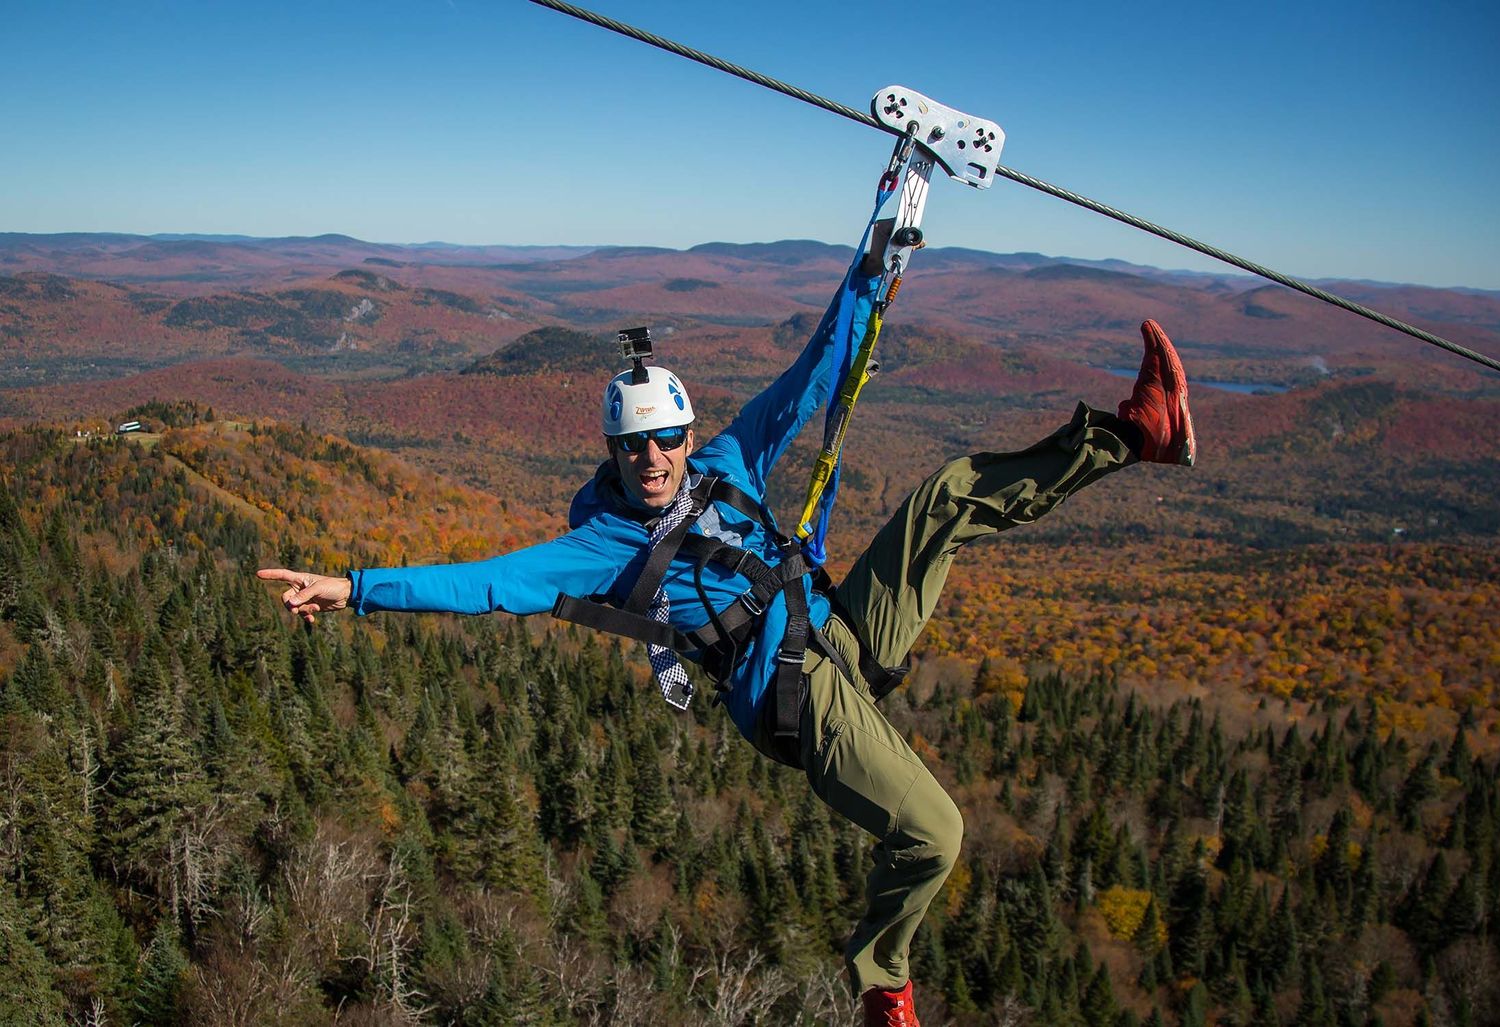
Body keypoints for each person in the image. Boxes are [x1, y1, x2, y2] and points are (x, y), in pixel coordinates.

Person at [259, 230, 1195, 1026]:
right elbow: (486, 584)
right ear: (613, 452)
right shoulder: (603, 546)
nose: (654, 458)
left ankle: (1135, 434)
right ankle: (885, 981)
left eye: (666, 438)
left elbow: (815, 369)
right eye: (634, 445)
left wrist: (874, 259)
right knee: (936, 832)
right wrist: (355, 587)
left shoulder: (729, 460)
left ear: (687, 433)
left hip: (837, 626)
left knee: (945, 495)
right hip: (791, 685)